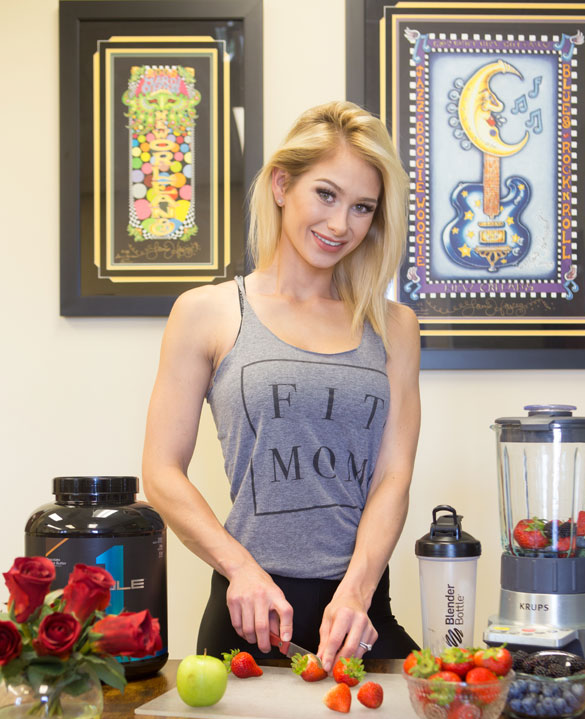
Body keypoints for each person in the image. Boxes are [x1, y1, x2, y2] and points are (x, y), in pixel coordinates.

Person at [142, 101, 421, 673]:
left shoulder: (394, 326)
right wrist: (239, 568)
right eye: (326, 194)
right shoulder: (207, 312)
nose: (341, 224)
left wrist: (357, 592)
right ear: (280, 184)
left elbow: (394, 474)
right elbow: (161, 472)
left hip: (360, 614)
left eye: (362, 207)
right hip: (250, 615)